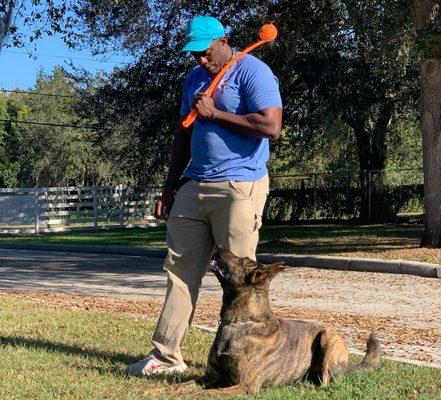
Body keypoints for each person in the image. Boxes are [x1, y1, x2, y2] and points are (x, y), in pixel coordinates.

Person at [126, 15, 282, 376]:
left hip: (239, 187)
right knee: (179, 271)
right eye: (194, 54)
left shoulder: (253, 72)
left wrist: (217, 114)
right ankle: (166, 357)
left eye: (206, 52)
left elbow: (271, 127)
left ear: (224, 41)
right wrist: (169, 185)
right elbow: (182, 135)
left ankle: (244, 359)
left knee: (242, 279)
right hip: (194, 186)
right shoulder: (194, 78)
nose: (200, 60)